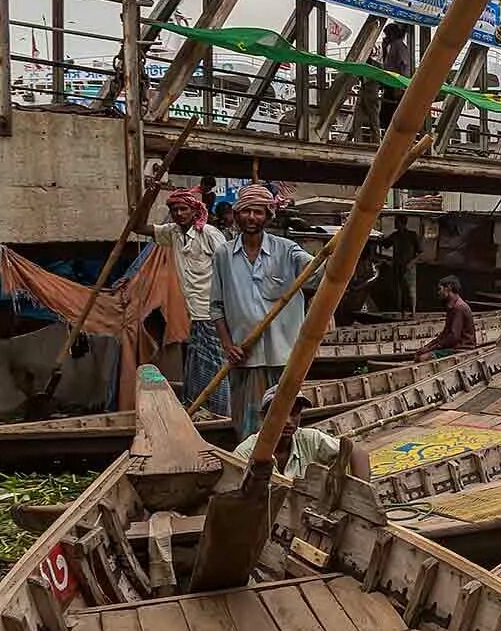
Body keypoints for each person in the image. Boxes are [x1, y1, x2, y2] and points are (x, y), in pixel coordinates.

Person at [212, 184, 310, 434]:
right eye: (246, 212)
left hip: (284, 355)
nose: (252, 218)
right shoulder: (224, 254)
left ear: (268, 216)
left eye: (258, 212)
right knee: (249, 426)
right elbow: (216, 307)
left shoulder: (287, 250)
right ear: (237, 215)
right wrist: (228, 346)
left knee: (285, 424)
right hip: (245, 355)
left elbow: (314, 270)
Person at [143, 187, 229, 415]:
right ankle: (198, 409)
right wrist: (149, 196)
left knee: (215, 366)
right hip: (195, 313)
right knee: (197, 364)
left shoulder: (209, 234)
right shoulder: (172, 233)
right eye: (175, 209)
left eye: (184, 209)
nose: (179, 213)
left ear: (194, 211)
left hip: (215, 313)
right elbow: (138, 227)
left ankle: (220, 413)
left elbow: (229, 269)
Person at [233, 386, 371, 480]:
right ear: (263, 416)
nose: (288, 421)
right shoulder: (245, 453)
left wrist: (362, 494)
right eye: (280, 413)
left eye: (294, 413)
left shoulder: (310, 439)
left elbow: (358, 453)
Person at [415, 276, 477, 360]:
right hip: (455, 347)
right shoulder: (453, 307)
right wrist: (428, 346)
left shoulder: (459, 307)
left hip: (462, 349)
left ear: (448, 288)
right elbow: (445, 334)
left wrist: (432, 348)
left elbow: (453, 337)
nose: (438, 293)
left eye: (440, 289)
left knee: (421, 358)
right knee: (419, 354)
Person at [386, 214, 422, 311]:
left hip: (409, 267)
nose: (395, 224)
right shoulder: (394, 236)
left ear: (402, 223)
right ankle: (402, 312)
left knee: (411, 290)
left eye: (396, 222)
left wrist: (411, 263)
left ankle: (413, 312)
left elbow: (420, 253)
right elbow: (385, 244)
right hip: (398, 266)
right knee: (399, 290)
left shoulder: (412, 235)